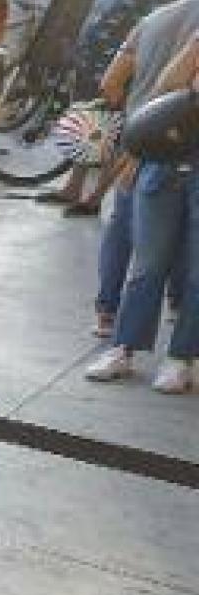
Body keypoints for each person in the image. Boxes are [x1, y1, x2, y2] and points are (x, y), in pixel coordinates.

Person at [43, 0, 188, 216]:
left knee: (118, 136)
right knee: (90, 129)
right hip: (92, 67)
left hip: (124, 75)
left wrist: (128, 78)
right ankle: (73, 187)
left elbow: (148, 37)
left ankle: (95, 198)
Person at [88, 0, 199, 337]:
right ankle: (178, 309)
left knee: (122, 226)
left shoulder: (154, 18)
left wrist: (133, 113)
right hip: (183, 147)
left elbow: (110, 82)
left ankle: (107, 313)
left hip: (139, 136)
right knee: (183, 235)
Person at [83, 27, 199, 394]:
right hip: (167, 158)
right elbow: (167, 87)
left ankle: (181, 357)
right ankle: (124, 347)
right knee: (147, 262)